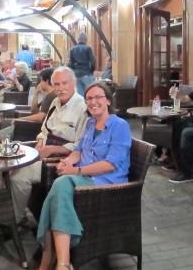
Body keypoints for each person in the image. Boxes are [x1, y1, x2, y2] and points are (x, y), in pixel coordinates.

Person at [37, 81, 131, 269]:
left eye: (98, 97)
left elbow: (110, 165)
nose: (93, 101)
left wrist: (76, 170)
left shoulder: (119, 126)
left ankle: (54, 259)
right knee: (58, 191)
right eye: (89, 98)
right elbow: (78, 150)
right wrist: (68, 161)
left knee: (60, 185)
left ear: (108, 101)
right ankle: (59, 262)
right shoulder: (90, 123)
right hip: (83, 180)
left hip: (107, 184)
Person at [10, 66, 88, 225]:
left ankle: (15, 221)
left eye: (65, 83)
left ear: (74, 83)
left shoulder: (82, 107)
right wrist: (40, 141)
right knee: (12, 164)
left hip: (60, 160)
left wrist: (52, 149)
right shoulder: (54, 102)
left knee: (19, 175)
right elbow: (44, 129)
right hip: (42, 151)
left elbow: (80, 146)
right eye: (57, 84)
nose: (61, 88)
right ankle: (18, 210)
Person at [0, 68, 57, 143]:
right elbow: (34, 111)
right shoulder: (48, 95)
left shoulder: (51, 96)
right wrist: (36, 93)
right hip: (33, 126)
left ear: (47, 81)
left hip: (32, 128)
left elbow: (40, 117)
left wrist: (20, 119)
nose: (40, 83)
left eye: (41, 80)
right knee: (5, 123)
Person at [68, 32, 95, 96]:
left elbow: (71, 64)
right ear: (85, 39)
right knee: (91, 93)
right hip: (86, 73)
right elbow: (92, 62)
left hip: (77, 74)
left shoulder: (72, 49)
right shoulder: (88, 48)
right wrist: (91, 72)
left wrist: (73, 74)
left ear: (78, 39)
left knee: (80, 95)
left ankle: (82, 106)